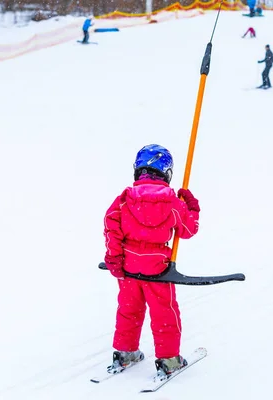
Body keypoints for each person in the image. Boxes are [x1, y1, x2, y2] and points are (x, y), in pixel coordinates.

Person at [103, 144, 200, 376]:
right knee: (164, 313)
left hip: (128, 266)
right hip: (158, 269)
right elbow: (188, 229)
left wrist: (114, 258)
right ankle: (169, 359)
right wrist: (191, 206)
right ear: (166, 173)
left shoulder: (125, 199)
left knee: (129, 310)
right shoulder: (172, 202)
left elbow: (111, 225)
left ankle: (125, 352)